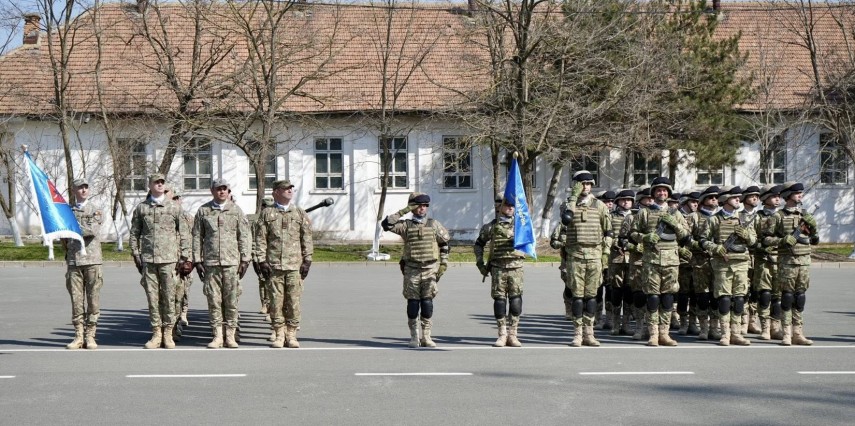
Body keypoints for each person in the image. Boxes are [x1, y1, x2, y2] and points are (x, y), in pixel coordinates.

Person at [129, 173, 192, 349]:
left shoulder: (174, 207)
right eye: (156, 182)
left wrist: (184, 257)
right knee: (152, 297)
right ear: (149, 185)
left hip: (170, 260)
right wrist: (136, 254)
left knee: (169, 297)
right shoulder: (142, 208)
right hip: (149, 260)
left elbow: (185, 233)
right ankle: (156, 333)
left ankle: (168, 333)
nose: (159, 185)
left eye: (162, 182)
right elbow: (134, 233)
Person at [382, 192, 451, 348]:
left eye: (425, 205)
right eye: (419, 205)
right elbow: (387, 224)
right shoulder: (406, 225)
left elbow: (445, 243)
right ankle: (414, 336)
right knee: (413, 304)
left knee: (427, 303)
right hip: (412, 269)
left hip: (429, 269)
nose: (422, 208)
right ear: (412, 206)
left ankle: (426, 336)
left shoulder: (433, 224)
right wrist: (405, 210)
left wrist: (444, 264)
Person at [630, 177, 690, 347]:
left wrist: (676, 226)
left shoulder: (676, 213)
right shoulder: (644, 213)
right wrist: (645, 237)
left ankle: (665, 333)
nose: (661, 193)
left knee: (668, 297)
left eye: (664, 190)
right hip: (651, 261)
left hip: (672, 261)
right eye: (658, 190)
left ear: (668, 193)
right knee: (653, 298)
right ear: (653, 193)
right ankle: (653, 333)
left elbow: (686, 236)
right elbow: (633, 234)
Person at [253, 180, 313, 348]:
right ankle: (279, 334)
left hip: (294, 266)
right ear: (276, 192)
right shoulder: (267, 214)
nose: (289, 191)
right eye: (285, 189)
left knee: (293, 301)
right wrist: (261, 260)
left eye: (290, 189)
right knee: (276, 302)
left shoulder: (299, 213)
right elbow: (260, 239)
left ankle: (291, 334)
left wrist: (308, 260)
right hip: (274, 266)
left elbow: (306, 238)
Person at [193, 179, 251, 349]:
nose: (222, 192)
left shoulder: (236, 211)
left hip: (231, 263)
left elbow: (244, 236)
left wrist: (245, 259)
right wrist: (197, 260)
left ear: (228, 191)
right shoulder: (204, 211)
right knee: (213, 301)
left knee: (232, 301)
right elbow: (197, 237)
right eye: (218, 189)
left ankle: (230, 335)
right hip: (211, 263)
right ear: (212, 191)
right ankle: (218, 335)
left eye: (224, 189)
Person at [699, 186, 756, 346]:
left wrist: (747, 236)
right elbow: (703, 240)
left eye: (739, 197)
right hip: (722, 265)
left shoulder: (744, 219)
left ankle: (736, 333)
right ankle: (725, 334)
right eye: (735, 197)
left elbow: (754, 241)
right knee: (724, 299)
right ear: (724, 200)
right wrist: (716, 248)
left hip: (741, 263)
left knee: (739, 299)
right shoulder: (714, 219)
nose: (739, 199)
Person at [560, 171, 612, 347]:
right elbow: (566, 220)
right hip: (575, 256)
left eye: (588, 184)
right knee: (577, 297)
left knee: (591, 296)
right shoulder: (567, 205)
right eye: (582, 184)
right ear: (575, 185)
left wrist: (605, 253)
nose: (586, 187)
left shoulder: (600, 206)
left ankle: (589, 333)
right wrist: (573, 198)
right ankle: (577, 334)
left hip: (595, 256)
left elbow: (609, 232)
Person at [762, 182, 817, 346]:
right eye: (797, 193)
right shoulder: (777, 216)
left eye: (801, 193)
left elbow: (815, 240)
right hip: (787, 262)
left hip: (804, 261)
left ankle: (798, 332)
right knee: (786, 297)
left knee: (800, 297)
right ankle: (786, 333)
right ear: (788, 196)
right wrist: (783, 240)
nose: (800, 195)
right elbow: (765, 238)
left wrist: (813, 225)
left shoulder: (805, 215)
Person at [474, 195, 526, 347]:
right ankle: (502, 334)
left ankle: (513, 334)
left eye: (512, 205)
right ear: (499, 207)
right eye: (507, 205)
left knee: (516, 302)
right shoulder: (491, 227)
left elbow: (528, 242)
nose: (510, 208)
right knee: (499, 301)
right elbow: (479, 244)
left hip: (516, 268)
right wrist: (480, 262)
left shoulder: (521, 225)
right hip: (498, 269)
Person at [62, 178, 105, 350]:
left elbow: (91, 230)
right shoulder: (67, 211)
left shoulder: (96, 210)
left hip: (92, 260)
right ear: (74, 190)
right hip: (74, 260)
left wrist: (71, 227)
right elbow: (63, 235)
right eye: (80, 187)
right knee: (76, 300)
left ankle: (90, 335)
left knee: (93, 300)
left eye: (86, 187)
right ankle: (78, 335)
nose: (84, 190)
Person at [687, 186, 719, 340]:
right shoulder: (694, 217)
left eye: (715, 197)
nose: (714, 200)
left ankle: (714, 327)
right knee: (702, 296)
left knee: (716, 296)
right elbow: (686, 237)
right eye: (710, 197)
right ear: (703, 201)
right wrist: (699, 245)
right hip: (700, 261)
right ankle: (703, 328)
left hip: (719, 261)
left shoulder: (721, 217)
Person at [754, 184, 784, 340]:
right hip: (764, 260)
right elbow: (751, 240)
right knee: (765, 294)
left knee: (777, 296)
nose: (777, 198)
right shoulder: (757, 217)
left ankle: (775, 327)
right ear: (765, 199)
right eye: (774, 196)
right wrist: (761, 246)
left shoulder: (783, 216)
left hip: (780, 259)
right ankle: (765, 328)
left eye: (779, 196)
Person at [606, 189, 634, 336]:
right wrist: (614, 244)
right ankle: (615, 324)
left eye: (629, 200)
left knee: (629, 291)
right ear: (617, 202)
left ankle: (626, 323)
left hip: (632, 259)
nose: (626, 202)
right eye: (623, 200)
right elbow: (605, 234)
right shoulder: (610, 217)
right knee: (616, 291)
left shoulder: (636, 216)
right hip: (616, 258)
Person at [676, 191, 700, 335]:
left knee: (696, 293)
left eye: (697, 202)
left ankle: (693, 321)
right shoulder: (678, 217)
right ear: (685, 203)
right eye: (692, 202)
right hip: (682, 262)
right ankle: (683, 322)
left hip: (696, 261)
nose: (696, 204)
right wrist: (680, 250)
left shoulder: (698, 217)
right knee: (683, 294)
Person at [170, 190, 194, 330]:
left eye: (177, 198)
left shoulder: (187, 218)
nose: (175, 200)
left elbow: (193, 239)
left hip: (184, 259)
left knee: (184, 290)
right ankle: (174, 321)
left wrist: (190, 260)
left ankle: (183, 313)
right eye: (173, 198)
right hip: (170, 259)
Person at [740, 185, 762, 335]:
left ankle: (753, 321)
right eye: (752, 196)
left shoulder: (761, 216)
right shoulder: (738, 216)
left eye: (757, 196)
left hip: (759, 257)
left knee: (756, 290)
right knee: (743, 290)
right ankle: (743, 320)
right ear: (744, 199)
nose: (755, 198)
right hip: (744, 257)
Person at [596, 189, 617, 330]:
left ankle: (609, 318)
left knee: (610, 290)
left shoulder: (616, 217)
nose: (609, 204)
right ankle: (598, 318)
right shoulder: (597, 216)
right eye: (607, 202)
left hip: (612, 259)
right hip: (597, 257)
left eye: (611, 202)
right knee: (597, 289)